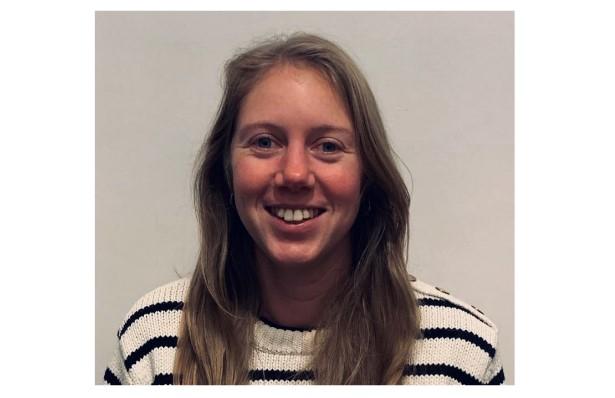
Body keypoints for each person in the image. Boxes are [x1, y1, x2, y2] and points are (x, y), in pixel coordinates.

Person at [104, 32, 505, 385]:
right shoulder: (154, 341)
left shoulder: (460, 351)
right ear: (225, 169)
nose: (294, 174)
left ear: (368, 174)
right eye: (264, 142)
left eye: (328, 146)